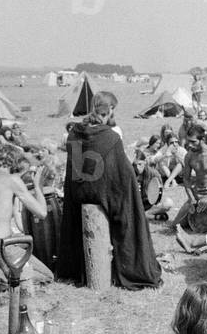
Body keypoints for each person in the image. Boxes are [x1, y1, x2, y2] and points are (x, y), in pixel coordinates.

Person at [57, 91, 163, 290]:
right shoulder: (111, 137)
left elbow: (75, 168)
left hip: (79, 191)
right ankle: (132, 267)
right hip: (102, 191)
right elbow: (122, 173)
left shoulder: (74, 133)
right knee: (129, 210)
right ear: (110, 109)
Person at [0, 146, 53, 293]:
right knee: (46, 276)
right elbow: (42, 213)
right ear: (14, 161)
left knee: (20, 244)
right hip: (0, 247)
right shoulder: (11, 180)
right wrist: (37, 185)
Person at [171, 125, 207, 231]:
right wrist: (191, 198)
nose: (189, 145)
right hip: (196, 195)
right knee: (174, 226)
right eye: (188, 141)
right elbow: (186, 179)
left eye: (193, 141)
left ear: (202, 139)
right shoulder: (189, 156)